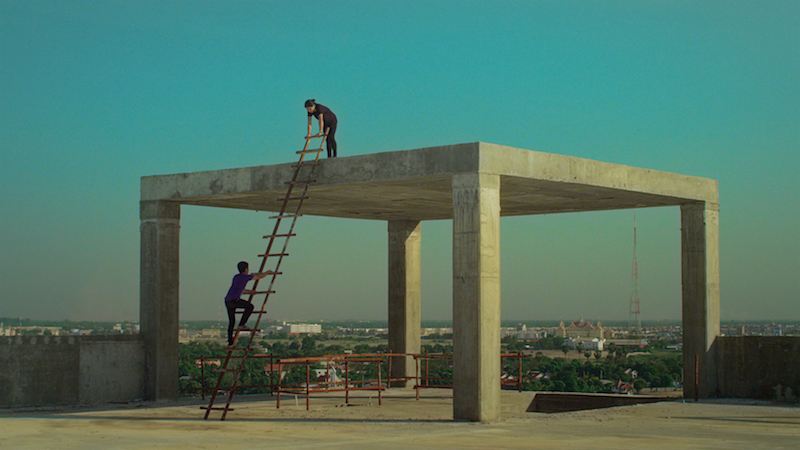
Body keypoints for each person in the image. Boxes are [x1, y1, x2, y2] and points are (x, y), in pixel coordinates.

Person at [224, 261, 269, 349]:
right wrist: (267, 272)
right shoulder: (245, 277)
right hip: (234, 300)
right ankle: (242, 324)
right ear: (246, 269)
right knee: (250, 307)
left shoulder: (236, 277)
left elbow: (241, 290)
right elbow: (259, 276)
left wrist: (251, 292)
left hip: (228, 300)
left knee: (232, 322)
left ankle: (230, 344)